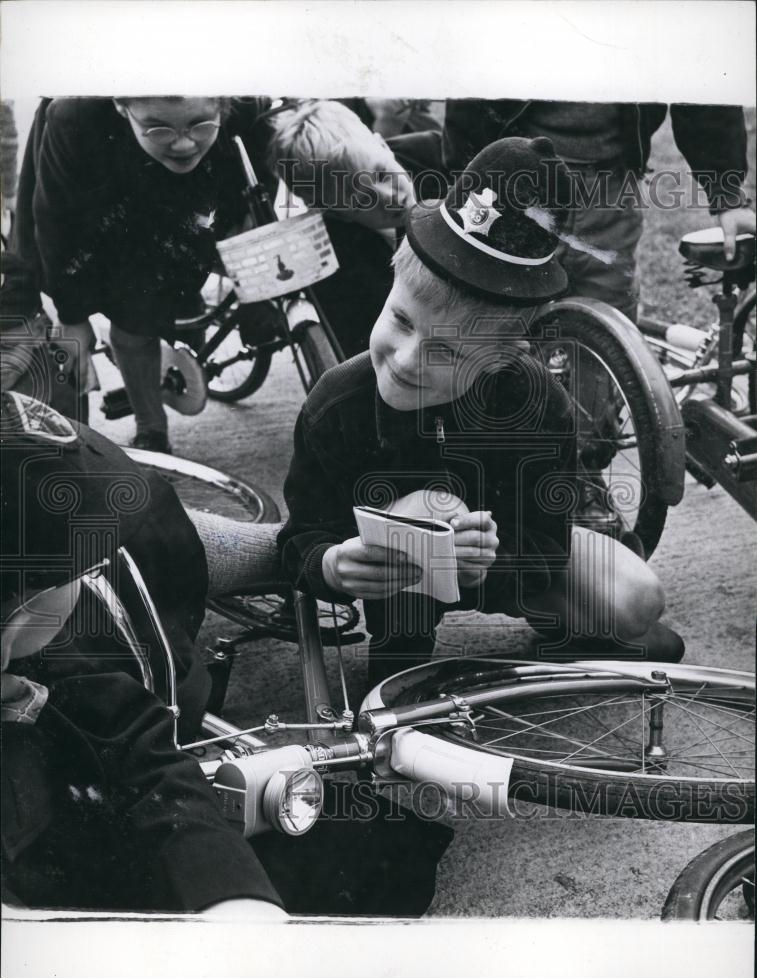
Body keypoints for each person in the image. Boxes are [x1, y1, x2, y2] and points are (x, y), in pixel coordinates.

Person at [1, 391, 451, 916]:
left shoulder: (63, 645)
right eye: (85, 566)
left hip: (149, 791)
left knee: (378, 849)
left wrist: (325, 560)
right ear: (23, 610)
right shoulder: (61, 651)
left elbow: (140, 751)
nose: (100, 567)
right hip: (86, 856)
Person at [277, 136, 684, 688]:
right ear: (390, 284)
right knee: (413, 516)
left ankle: (561, 624)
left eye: (447, 351)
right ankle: (402, 662)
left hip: (503, 561)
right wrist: (331, 565)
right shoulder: (335, 405)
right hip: (392, 580)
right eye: (400, 320)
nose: (407, 361)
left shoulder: (539, 404)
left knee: (638, 600)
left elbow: (546, 544)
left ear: (506, 354)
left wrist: (488, 565)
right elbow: (299, 538)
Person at [10, 96, 413, 454]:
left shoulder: (245, 103)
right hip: (109, 196)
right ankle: (152, 429)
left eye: (199, 122)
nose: (183, 141)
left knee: (195, 266)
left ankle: (184, 325)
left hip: (200, 193)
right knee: (134, 324)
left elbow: (264, 169)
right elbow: (56, 221)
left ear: (222, 104)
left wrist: (243, 239)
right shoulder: (74, 115)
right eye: (158, 126)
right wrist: (73, 316)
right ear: (122, 105)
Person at [440, 100, 756, 322]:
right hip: (514, 181)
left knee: (608, 321)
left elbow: (694, 71)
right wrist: (463, 185)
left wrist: (726, 196)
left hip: (610, 188)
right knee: (498, 317)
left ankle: (597, 416)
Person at [265, 99, 416, 358]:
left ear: (383, 145)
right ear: (340, 215)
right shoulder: (340, 265)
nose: (389, 197)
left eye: (381, 174)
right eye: (359, 201)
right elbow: (364, 350)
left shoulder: (436, 158)